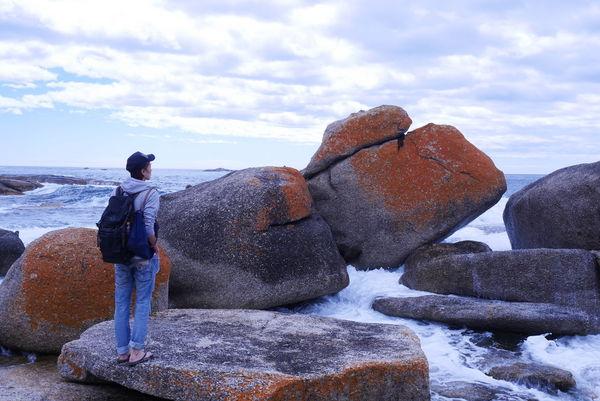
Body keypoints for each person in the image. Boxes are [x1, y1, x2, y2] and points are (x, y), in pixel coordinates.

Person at [113, 151, 160, 366]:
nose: (151, 169)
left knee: (121, 303)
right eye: (149, 166)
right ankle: (137, 351)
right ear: (143, 171)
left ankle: (122, 351)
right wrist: (154, 246)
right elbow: (149, 226)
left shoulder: (119, 190)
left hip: (121, 254)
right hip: (141, 255)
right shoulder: (151, 193)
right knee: (142, 302)